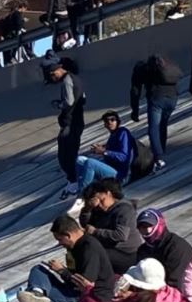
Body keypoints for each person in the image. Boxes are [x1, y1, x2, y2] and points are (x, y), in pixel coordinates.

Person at [43, 54, 87, 199]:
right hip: (77, 121)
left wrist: (58, 104)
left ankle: (74, 182)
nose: (53, 80)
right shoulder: (76, 79)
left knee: (65, 155)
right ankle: (73, 181)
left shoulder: (67, 81)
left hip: (71, 123)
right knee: (70, 152)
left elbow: (69, 102)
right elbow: (83, 99)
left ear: (55, 71)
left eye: (52, 76)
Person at [129, 53, 181, 173]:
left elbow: (135, 91)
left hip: (157, 99)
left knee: (153, 129)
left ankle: (158, 158)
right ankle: (160, 152)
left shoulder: (140, 70)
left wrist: (135, 111)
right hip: (173, 98)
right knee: (162, 125)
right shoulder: (164, 68)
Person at [79, 179, 142, 273]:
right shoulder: (98, 210)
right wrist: (87, 209)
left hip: (128, 253)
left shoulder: (124, 209)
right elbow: (86, 225)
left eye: (102, 200)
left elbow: (121, 235)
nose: (99, 205)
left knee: (96, 255)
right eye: (96, 203)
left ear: (108, 193)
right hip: (110, 249)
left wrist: (95, 232)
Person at [135, 208, 192, 285]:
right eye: (142, 227)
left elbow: (176, 281)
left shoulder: (175, 246)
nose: (147, 230)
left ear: (160, 224)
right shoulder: (142, 250)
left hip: (185, 289)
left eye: (150, 225)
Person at [75, 111, 134, 188]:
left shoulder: (123, 132)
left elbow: (124, 157)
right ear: (105, 125)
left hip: (120, 176)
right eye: (107, 120)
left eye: (112, 119)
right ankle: (82, 186)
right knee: (79, 160)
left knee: (90, 163)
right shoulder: (113, 135)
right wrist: (102, 148)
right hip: (110, 169)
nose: (110, 122)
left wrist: (104, 152)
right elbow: (112, 148)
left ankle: (82, 194)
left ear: (118, 121)